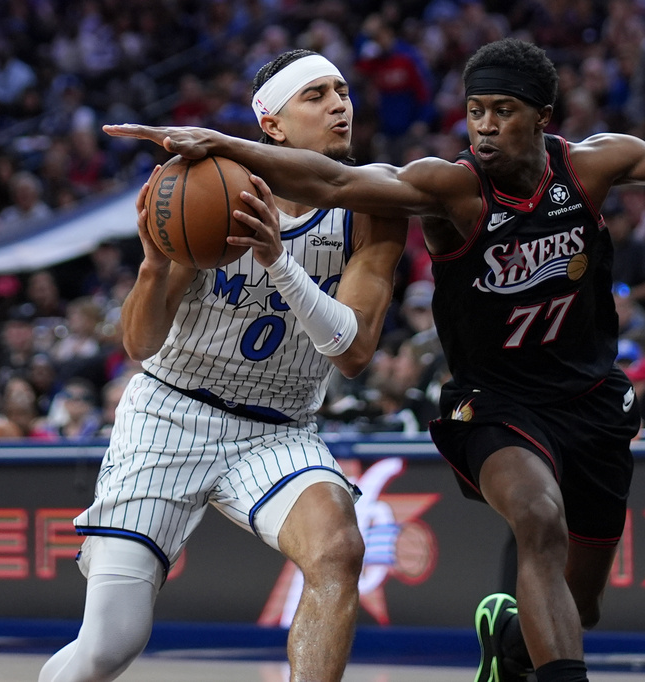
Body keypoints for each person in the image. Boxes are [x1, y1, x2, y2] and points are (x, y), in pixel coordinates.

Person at [106, 37, 645, 682]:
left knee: (585, 605)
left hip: (589, 400)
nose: (484, 128)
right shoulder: (449, 188)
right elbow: (337, 182)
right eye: (475, 112)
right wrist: (229, 145)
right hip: (495, 402)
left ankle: (509, 645)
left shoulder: (590, 166)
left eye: (503, 113)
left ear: (542, 118)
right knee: (538, 519)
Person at [43, 50, 408, 682]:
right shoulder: (210, 188)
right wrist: (156, 267)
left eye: (342, 91)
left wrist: (278, 261)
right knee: (109, 645)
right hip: (171, 413)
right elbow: (139, 344)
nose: (338, 105)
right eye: (315, 95)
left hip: (279, 429)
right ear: (272, 125)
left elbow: (351, 352)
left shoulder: (375, 204)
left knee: (340, 549)